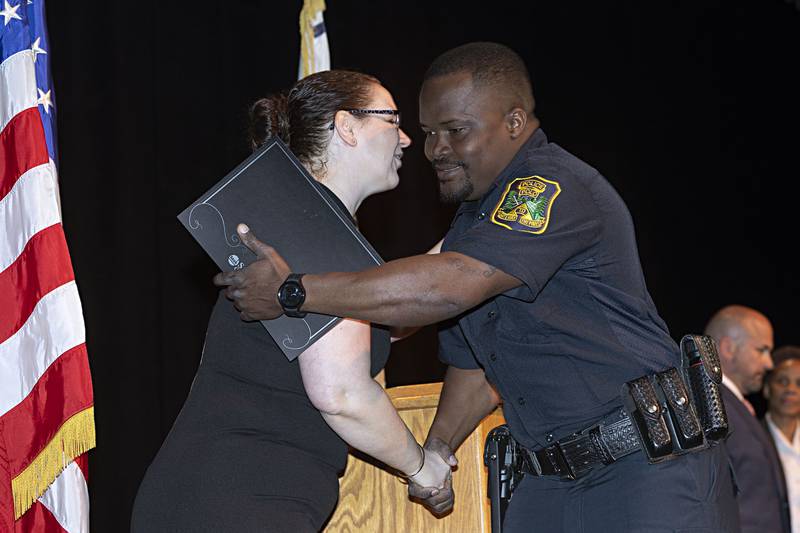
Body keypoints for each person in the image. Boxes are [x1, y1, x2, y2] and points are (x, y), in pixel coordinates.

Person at [215, 42, 739, 531]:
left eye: (456, 130)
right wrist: (439, 447)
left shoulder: (548, 186)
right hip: (548, 484)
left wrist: (295, 291)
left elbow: (451, 287)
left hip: (645, 470)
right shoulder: (475, 222)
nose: (433, 149)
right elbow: (473, 364)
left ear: (513, 123)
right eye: (427, 132)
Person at [131, 70, 450, 532]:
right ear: (347, 127)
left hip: (219, 497)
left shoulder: (317, 230)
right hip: (236, 501)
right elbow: (341, 394)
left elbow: (389, 321)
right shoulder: (312, 230)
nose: (404, 139)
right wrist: (423, 468)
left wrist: (461, 252)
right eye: (392, 119)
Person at [705, 305, 790, 532]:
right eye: (761, 350)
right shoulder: (713, 408)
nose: (769, 364)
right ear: (728, 348)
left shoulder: (732, 406)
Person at [764, 345, 800, 532]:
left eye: (799, 383)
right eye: (782, 381)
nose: (791, 390)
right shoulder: (752, 439)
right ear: (767, 389)